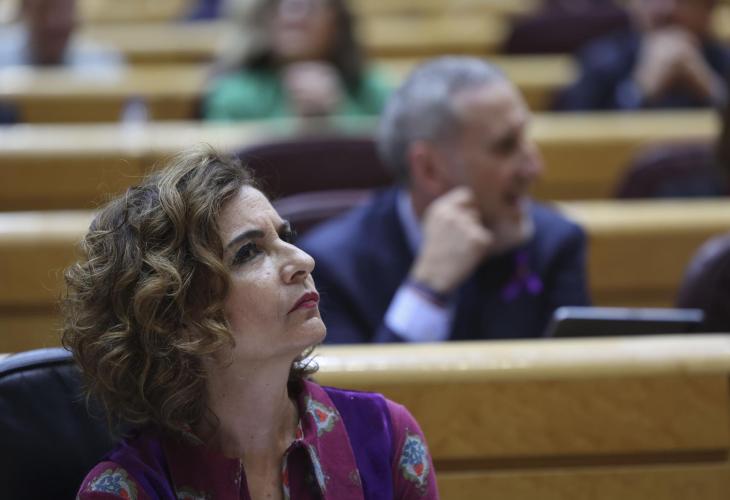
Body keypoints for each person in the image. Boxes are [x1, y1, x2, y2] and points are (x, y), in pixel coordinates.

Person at [62, 149, 438, 499]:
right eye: (249, 252)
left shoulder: (386, 435)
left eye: (286, 236)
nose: (303, 261)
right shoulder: (126, 491)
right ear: (175, 316)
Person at [298, 57, 591, 344]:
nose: (534, 168)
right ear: (429, 169)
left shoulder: (556, 241)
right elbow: (356, 380)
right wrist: (426, 291)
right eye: (505, 146)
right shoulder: (333, 267)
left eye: (525, 138)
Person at [203, 0, 390, 121]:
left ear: (336, 20)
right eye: (278, 3)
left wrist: (338, 113)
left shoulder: (372, 90)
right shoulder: (233, 95)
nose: (293, 12)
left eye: (311, 4)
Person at [555, 0, 730, 110]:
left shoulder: (725, 62)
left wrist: (712, 90)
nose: (667, 9)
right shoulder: (599, 59)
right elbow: (572, 139)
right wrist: (638, 90)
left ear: (709, 10)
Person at [0, 0, 123, 70]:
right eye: (43, 10)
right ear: (25, 11)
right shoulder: (3, 62)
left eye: (63, 10)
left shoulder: (104, 65)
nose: (53, 21)